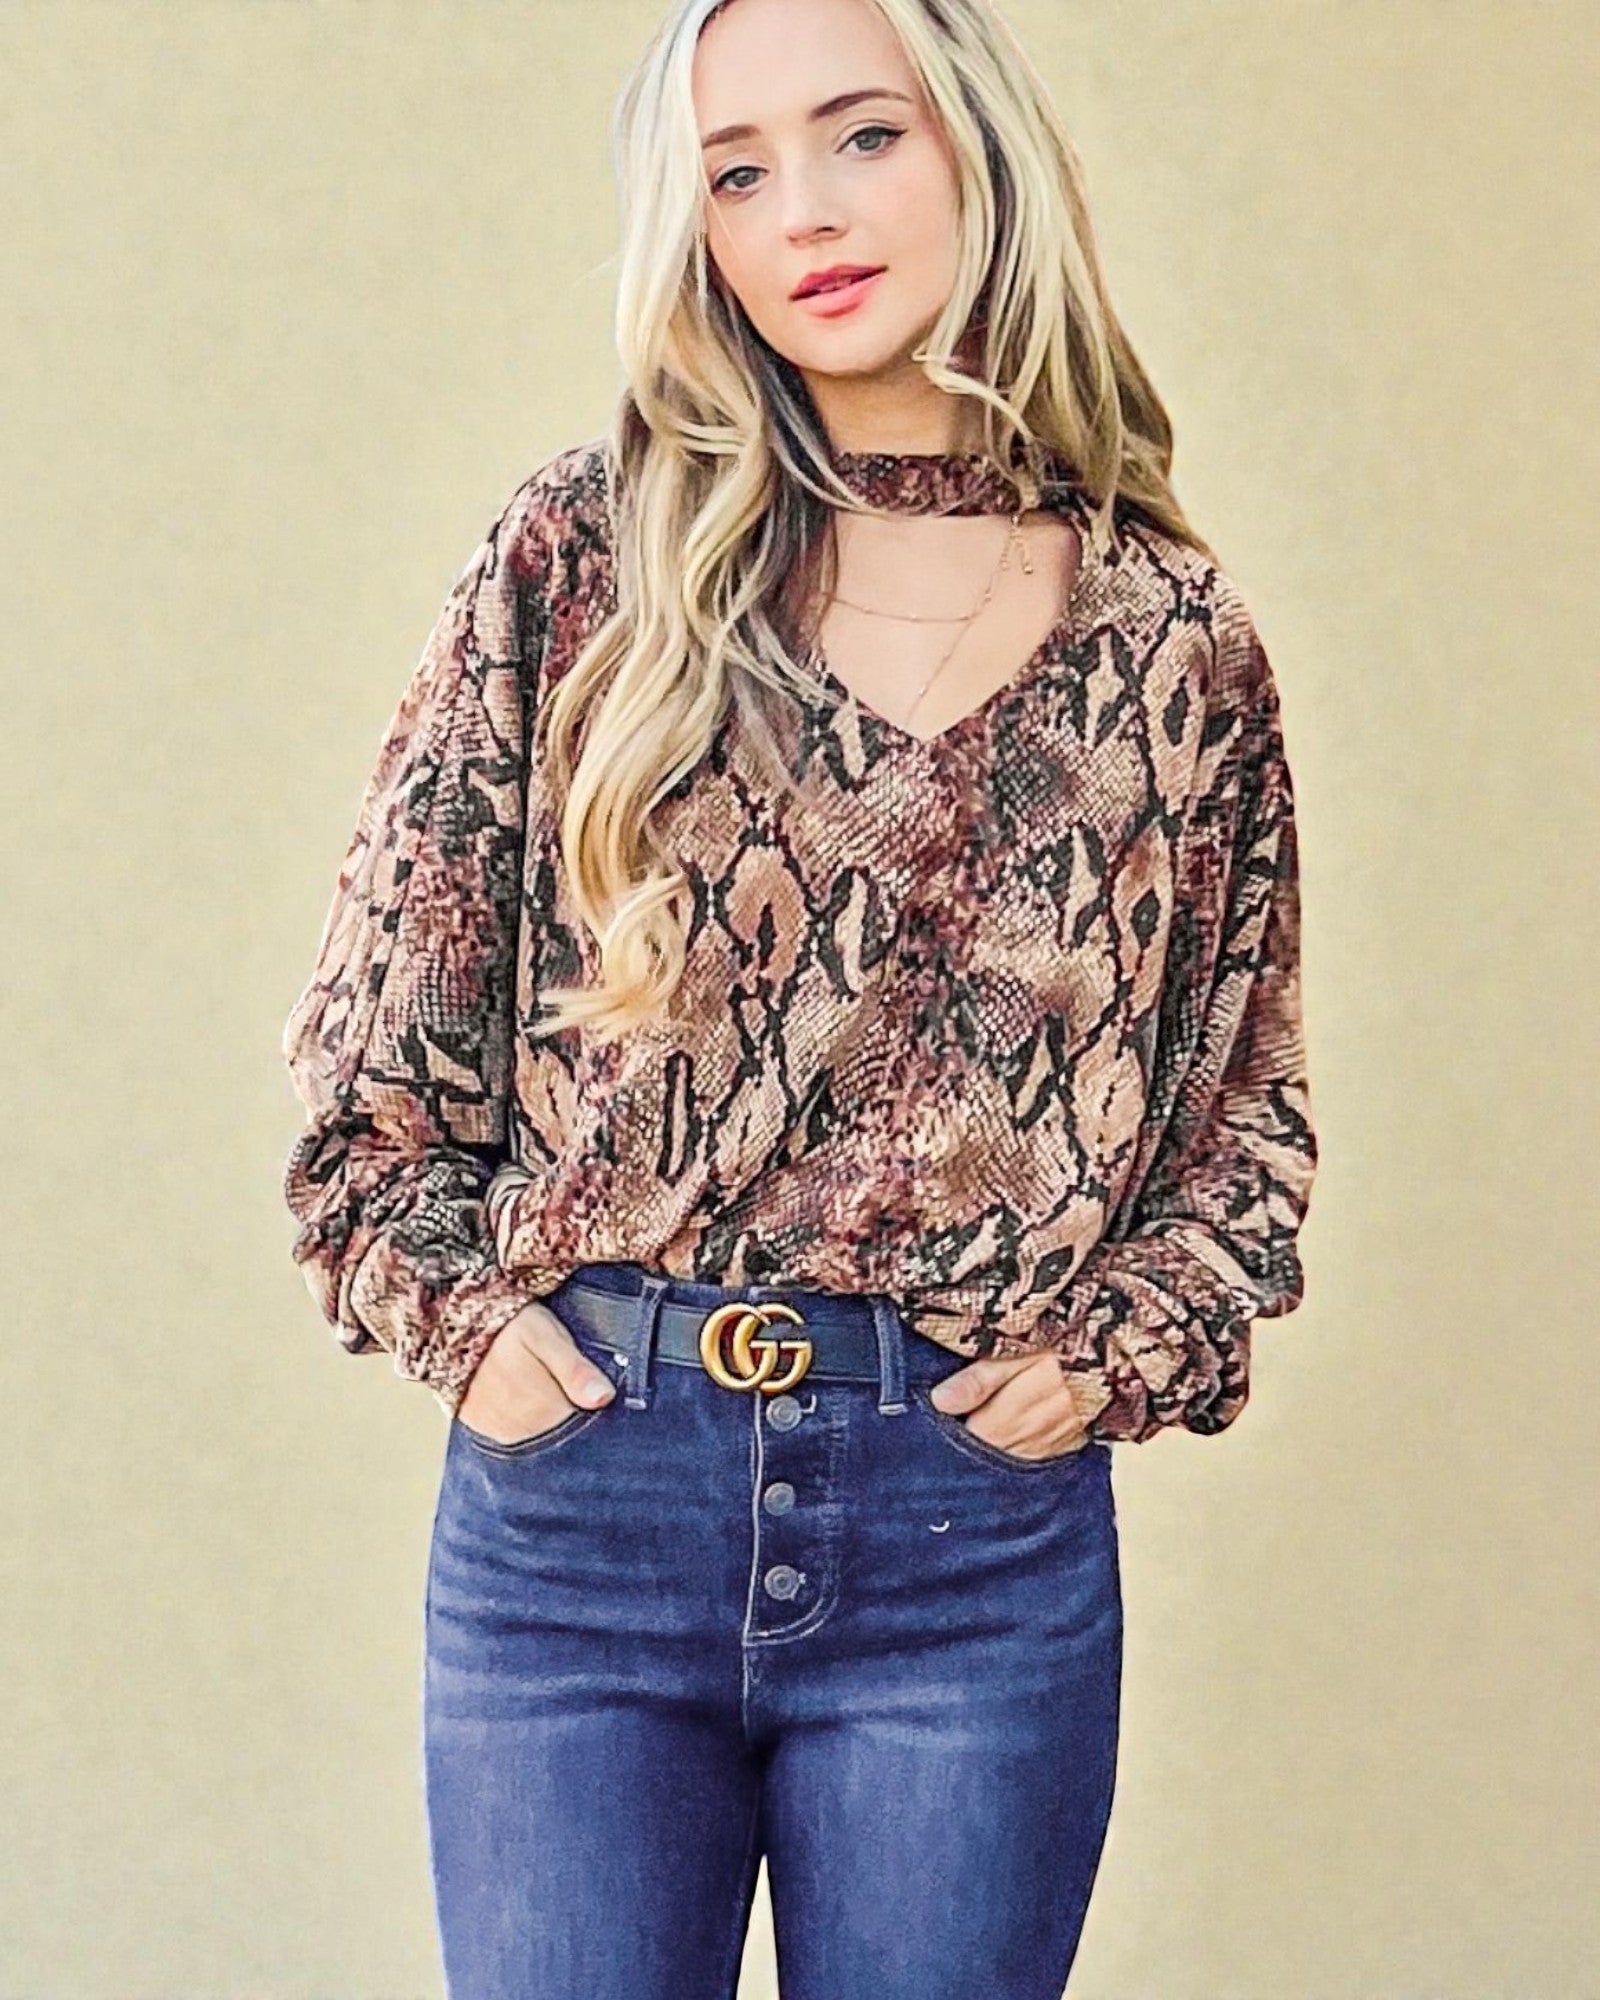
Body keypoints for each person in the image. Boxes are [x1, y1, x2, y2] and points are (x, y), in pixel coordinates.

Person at [278, 0, 1319, 1993]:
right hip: (585, 1509)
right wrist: (476, 1323)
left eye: (860, 137)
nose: (802, 214)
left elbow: (1238, 1123)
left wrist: (1113, 1349)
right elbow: (368, 1067)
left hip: (966, 1538)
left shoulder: (1168, 638)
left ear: (976, 158)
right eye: (734, 170)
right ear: (691, 229)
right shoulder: (580, 565)